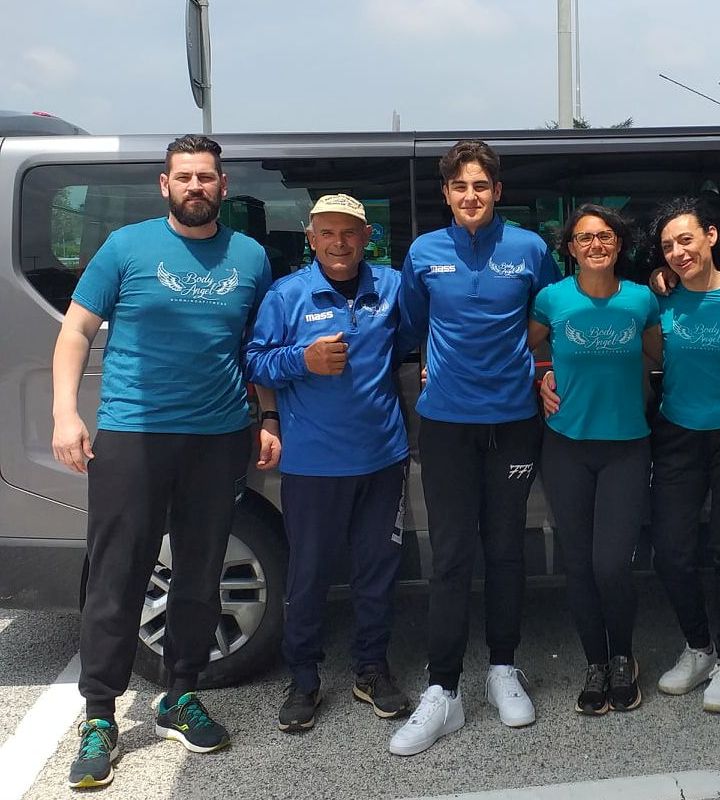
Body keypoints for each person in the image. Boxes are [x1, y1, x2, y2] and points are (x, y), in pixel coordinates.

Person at [51, 134, 275, 789]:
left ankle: (179, 694)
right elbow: (75, 330)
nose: (195, 186)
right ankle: (100, 715)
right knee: (117, 576)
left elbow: (256, 345)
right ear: (165, 184)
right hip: (133, 435)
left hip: (218, 438)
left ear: (223, 186)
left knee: (200, 575)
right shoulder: (126, 247)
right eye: (184, 177)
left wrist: (267, 416)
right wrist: (65, 414)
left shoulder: (250, 256)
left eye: (206, 177)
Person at [557, 197, 720, 714]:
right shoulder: (658, 299)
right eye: (668, 246)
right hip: (677, 431)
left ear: (711, 237)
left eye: (686, 240)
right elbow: (615, 344)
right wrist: (546, 378)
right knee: (671, 552)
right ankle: (699, 646)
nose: (678, 252)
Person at [389, 140, 560, 757]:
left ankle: (503, 668)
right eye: (460, 186)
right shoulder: (424, 252)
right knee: (453, 553)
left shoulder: (529, 248)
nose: (470, 196)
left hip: (513, 421)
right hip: (447, 424)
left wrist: (544, 371)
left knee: (507, 546)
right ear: (446, 193)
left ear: (497, 191)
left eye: (480, 186)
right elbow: (411, 325)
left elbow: (555, 315)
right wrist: (431, 363)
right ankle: (444, 689)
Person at [244, 194, 412, 733]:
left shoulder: (392, 286)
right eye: (328, 233)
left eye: (350, 232)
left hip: (383, 458)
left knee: (377, 571)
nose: (339, 243)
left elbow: (418, 337)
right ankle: (303, 678)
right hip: (313, 463)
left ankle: (371, 668)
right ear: (311, 238)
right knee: (308, 574)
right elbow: (255, 361)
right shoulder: (287, 294)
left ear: (366, 237)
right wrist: (305, 359)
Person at [528, 204, 662, 716]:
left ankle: (623, 656)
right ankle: (596, 663)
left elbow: (661, 355)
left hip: (627, 446)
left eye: (605, 236)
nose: (595, 245)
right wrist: (541, 376)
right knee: (579, 565)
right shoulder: (552, 299)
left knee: (611, 565)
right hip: (566, 447)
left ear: (618, 244)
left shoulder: (641, 299)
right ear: (570, 248)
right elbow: (522, 348)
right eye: (584, 238)